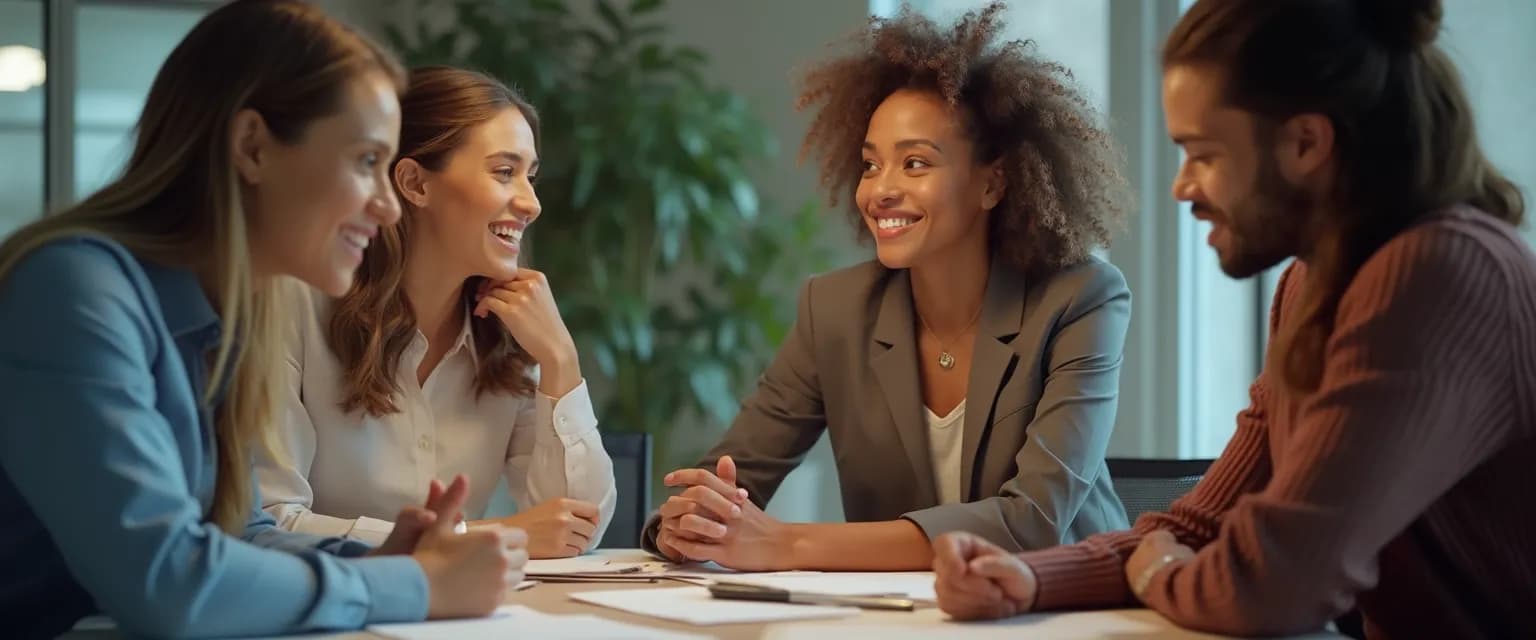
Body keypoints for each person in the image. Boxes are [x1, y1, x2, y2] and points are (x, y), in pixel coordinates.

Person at [932, 0, 1536, 637]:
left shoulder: (1436, 272)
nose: (1182, 186)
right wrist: (1032, 578)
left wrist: (1155, 574)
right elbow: (1204, 526)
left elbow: (1266, 585)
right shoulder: (1313, 283)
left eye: (1204, 154)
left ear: (1306, 142)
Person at [0, 2, 526, 637]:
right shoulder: (72, 291)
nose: (388, 208)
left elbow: (239, 536)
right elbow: (167, 582)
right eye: (365, 162)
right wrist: (414, 584)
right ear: (252, 147)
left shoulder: (229, 312)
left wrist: (389, 559)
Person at [644, 2, 1133, 571]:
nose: (881, 191)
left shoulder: (1080, 298)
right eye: (872, 165)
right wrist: (688, 521)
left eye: (916, 164)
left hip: (1064, 609)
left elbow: (1032, 521)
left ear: (993, 182)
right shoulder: (834, 310)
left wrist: (788, 543)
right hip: (901, 616)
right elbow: (731, 475)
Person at [255, 66, 616, 560]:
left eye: (531, 177)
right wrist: (475, 539)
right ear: (414, 183)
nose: (531, 204)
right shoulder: (291, 302)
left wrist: (560, 360)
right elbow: (268, 521)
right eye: (504, 171)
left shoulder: (511, 330)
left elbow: (577, 528)